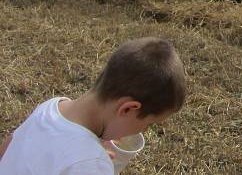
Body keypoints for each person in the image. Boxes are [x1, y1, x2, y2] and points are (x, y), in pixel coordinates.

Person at [0, 37, 186, 174]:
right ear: (128, 108)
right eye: (149, 124)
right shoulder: (90, 162)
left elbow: (8, 144)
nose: (145, 130)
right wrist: (93, 161)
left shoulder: (49, 107)